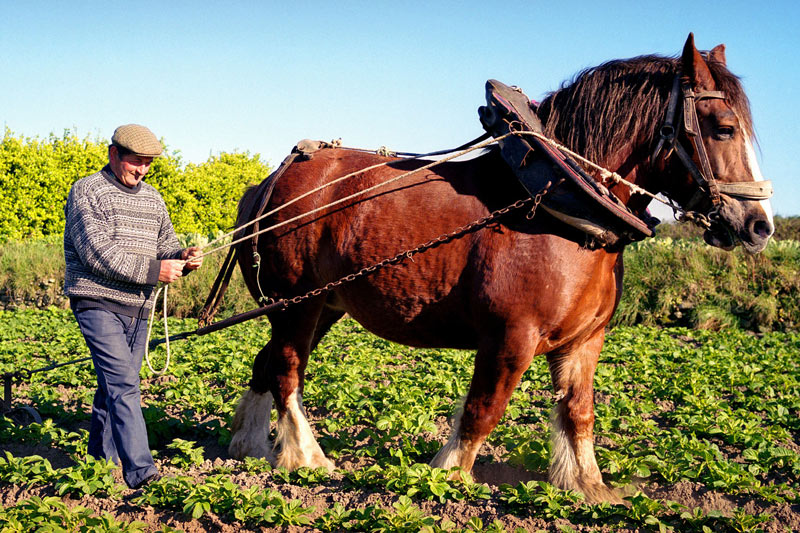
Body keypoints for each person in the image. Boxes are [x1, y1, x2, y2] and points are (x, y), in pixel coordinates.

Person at [63, 124, 203, 489]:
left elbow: (165, 243)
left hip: (138, 308)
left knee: (114, 386)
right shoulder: (86, 191)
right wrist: (158, 269)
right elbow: (97, 253)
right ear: (114, 155)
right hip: (96, 301)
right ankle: (142, 473)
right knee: (124, 384)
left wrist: (181, 256)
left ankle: (98, 463)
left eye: (147, 164)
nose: (141, 170)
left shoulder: (153, 198)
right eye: (135, 162)